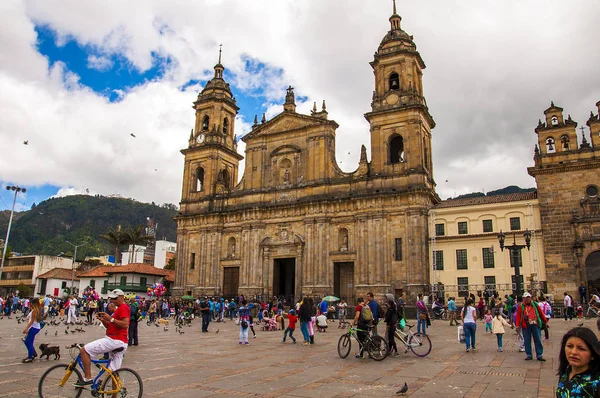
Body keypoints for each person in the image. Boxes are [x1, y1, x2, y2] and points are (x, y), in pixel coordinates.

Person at [74, 289, 130, 388]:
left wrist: (110, 318)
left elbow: (125, 324)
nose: (113, 301)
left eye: (115, 298)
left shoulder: (123, 308)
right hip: (119, 341)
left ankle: (87, 378)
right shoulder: (118, 309)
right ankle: (114, 395)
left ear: (122, 297)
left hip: (114, 340)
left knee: (84, 350)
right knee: (113, 373)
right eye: (112, 299)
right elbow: (111, 326)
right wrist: (104, 320)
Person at [555, 327, 600, 397]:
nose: (573, 352)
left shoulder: (596, 382)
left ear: (593, 355)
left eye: (581, 349)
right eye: (570, 346)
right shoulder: (566, 373)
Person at [516, 292, 549, 361]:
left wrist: (545, 321)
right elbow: (518, 316)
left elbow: (540, 313)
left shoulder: (535, 305)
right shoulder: (521, 306)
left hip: (535, 323)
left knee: (538, 339)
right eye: (526, 298)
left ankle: (539, 354)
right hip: (526, 324)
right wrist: (517, 325)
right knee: (527, 340)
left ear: (530, 298)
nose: (527, 299)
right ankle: (529, 354)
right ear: (524, 299)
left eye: (528, 297)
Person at [22, 298, 43, 362]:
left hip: (33, 328)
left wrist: (26, 328)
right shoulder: (35, 310)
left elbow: (32, 321)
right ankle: (33, 353)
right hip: (35, 327)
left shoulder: (34, 311)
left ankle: (30, 357)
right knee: (27, 342)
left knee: (29, 342)